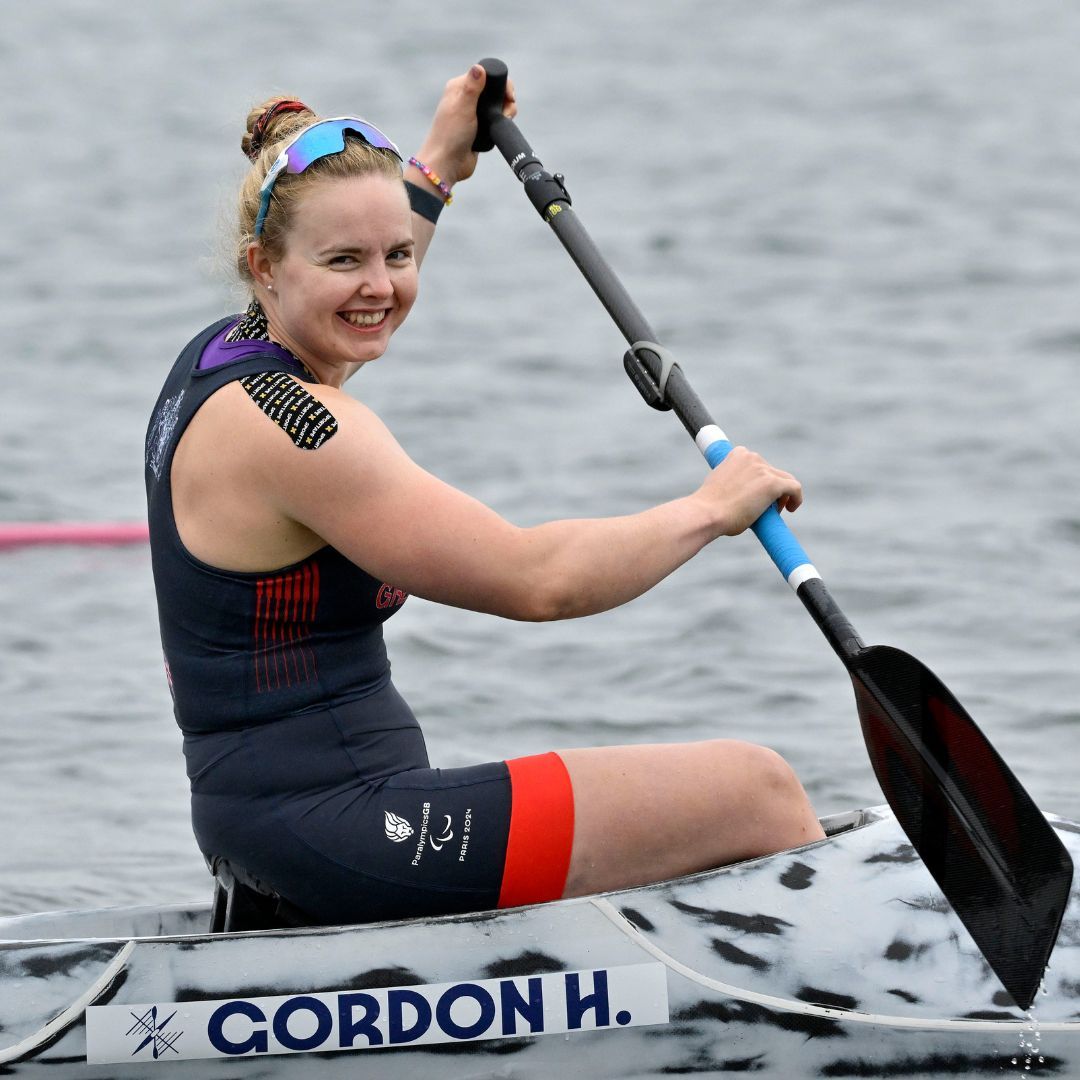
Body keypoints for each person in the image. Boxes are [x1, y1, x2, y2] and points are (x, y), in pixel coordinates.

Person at [145, 64, 825, 928]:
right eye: (344, 259)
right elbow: (537, 580)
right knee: (756, 793)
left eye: (396, 255)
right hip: (341, 831)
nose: (382, 285)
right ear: (265, 268)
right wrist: (710, 508)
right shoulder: (303, 434)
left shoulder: (223, 357)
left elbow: (359, 304)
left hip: (283, 822)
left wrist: (437, 168)